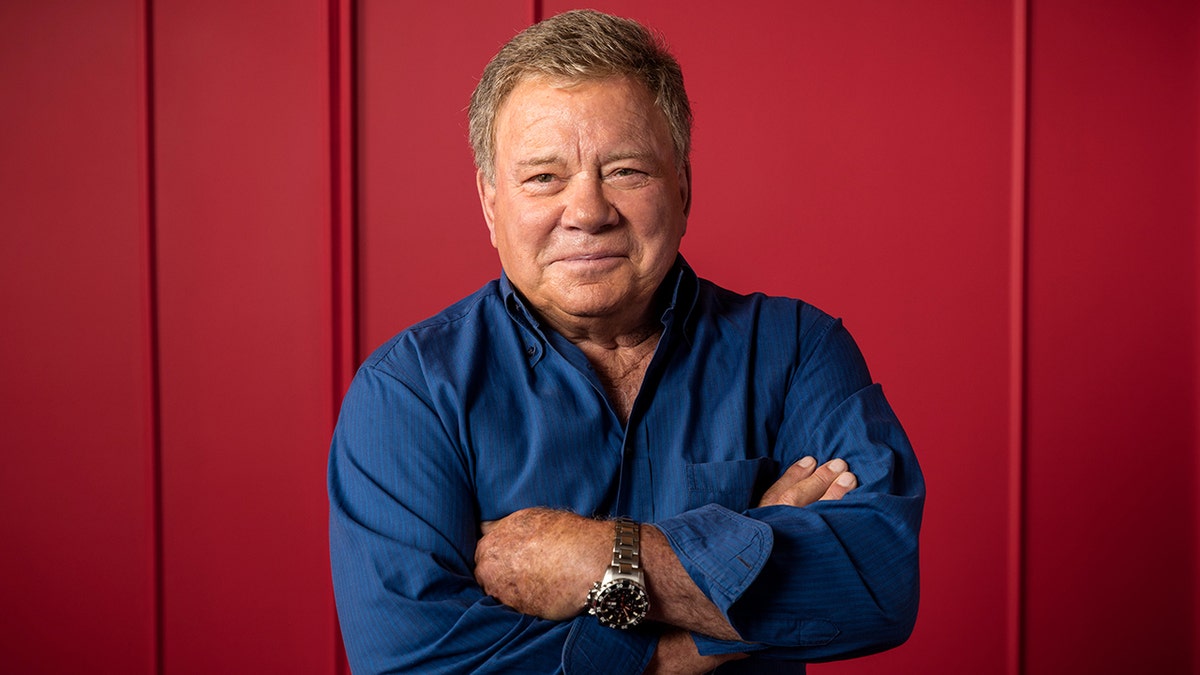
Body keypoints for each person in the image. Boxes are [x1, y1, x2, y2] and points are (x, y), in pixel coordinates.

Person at [328, 9, 924, 674]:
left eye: (626, 170)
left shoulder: (797, 351)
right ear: (491, 204)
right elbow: (414, 663)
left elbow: (879, 581)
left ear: (684, 188)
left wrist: (595, 558)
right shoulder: (409, 395)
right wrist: (696, 630)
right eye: (544, 177)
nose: (587, 211)